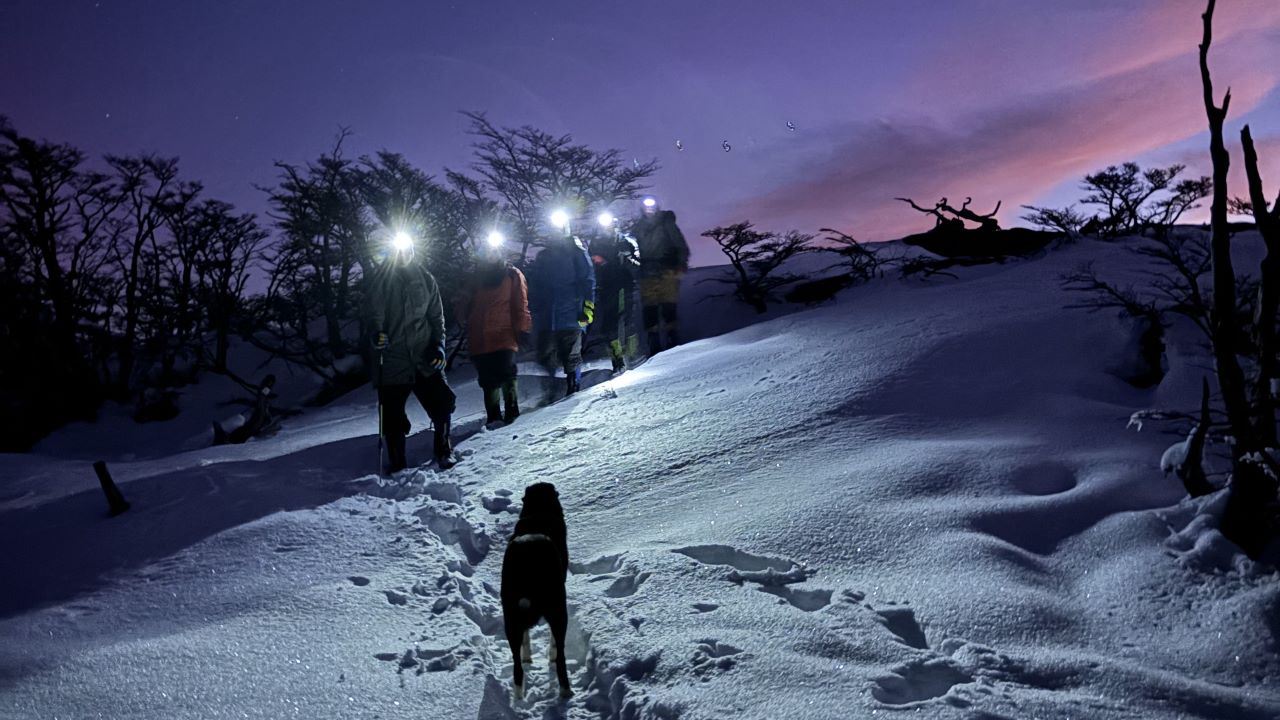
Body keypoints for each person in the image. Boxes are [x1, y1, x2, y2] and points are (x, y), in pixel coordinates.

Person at [367, 236, 459, 472]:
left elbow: (437, 318)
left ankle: (444, 449)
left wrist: (438, 345)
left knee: (443, 402)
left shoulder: (426, 279)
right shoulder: (381, 281)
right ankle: (397, 462)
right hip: (393, 359)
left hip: (423, 355)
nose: (403, 254)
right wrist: (376, 335)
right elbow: (372, 317)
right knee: (392, 416)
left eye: (407, 249)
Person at [465, 242, 532, 427]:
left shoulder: (511, 274)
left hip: (504, 335)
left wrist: (523, 328)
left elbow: (520, 304)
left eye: (493, 250)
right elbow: (464, 306)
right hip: (479, 337)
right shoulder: (475, 279)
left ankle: (512, 414)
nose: (490, 255)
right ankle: (493, 418)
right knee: (488, 380)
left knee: (507, 373)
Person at [529, 225, 596, 397]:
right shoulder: (543, 256)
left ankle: (573, 387)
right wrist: (534, 309)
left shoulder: (576, 252)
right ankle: (551, 390)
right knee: (545, 354)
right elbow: (535, 285)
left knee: (571, 354)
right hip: (547, 316)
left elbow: (588, 281)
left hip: (572, 312)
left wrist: (587, 308)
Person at [631, 199, 690, 354]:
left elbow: (680, 244)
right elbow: (633, 248)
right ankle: (654, 342)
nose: (649, 210)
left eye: (652, 207)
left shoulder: (666, 223)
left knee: (668, 305)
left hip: (667, 270)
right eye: (646, 207)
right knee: (649, 307)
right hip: (647, 272)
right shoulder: (638, 228)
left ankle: (672, 339)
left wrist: (681, 263)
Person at [589, 226, 640, 373]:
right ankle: (617, 359)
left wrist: (627, 259)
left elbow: (638, 263)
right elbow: (591, 264)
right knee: (608, 325)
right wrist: (600, 263)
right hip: (606, 289)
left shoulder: (627, 243)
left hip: (625, 286)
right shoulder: (597, 244)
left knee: (627, 320)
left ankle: (632, 355)